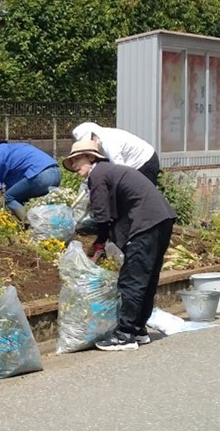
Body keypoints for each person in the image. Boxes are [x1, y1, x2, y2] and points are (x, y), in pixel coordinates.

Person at [62, 138, 175, 351]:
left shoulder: (98, 175)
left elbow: (102, 216)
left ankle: (125, 335)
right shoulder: (109, 171)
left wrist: (98, 244)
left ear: (91, 157)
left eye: (78, 159)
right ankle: (138, 330)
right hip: (162, 219)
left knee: (131, 279)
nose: (75, 165)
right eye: (73, 161)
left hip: (146, 222)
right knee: (146, 277)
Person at [0, 133, 61, 223]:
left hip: (40, 176)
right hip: (56, 173)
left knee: (8, 197)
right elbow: (14, 185)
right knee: (17, 197)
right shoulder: (13, 149)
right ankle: (41, 223)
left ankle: (29, 225)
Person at [72, 122, 161, 186]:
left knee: (143, 196)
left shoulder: (108, 142)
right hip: (132, 165)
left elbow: (120, 172)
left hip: (145, 161)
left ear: (94, 135)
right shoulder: (99, 142)